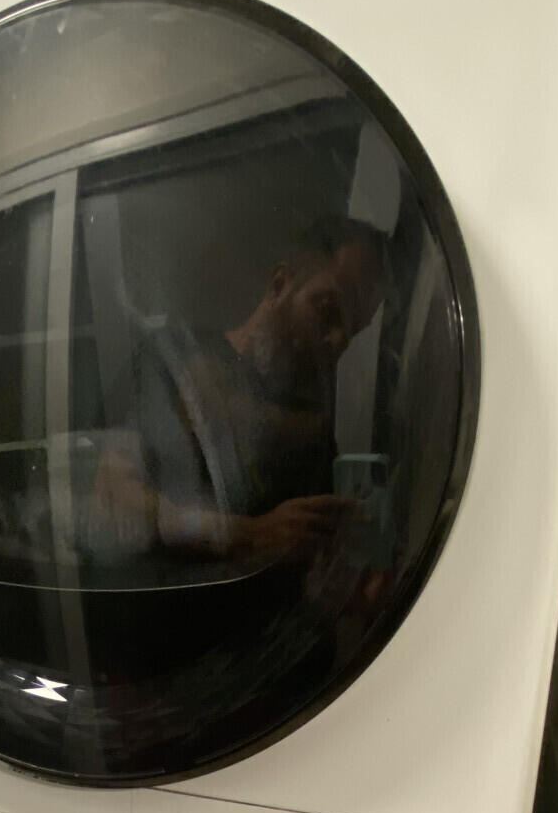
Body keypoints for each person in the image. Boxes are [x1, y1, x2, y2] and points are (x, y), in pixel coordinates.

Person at [91, 215, 392, 566]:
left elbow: (309, 556)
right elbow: (112, 495)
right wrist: (249, 537)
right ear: (280, 285)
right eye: (327, 310)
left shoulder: (312, 425)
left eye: (354, 328)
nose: (338, 341)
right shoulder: (172, 357)